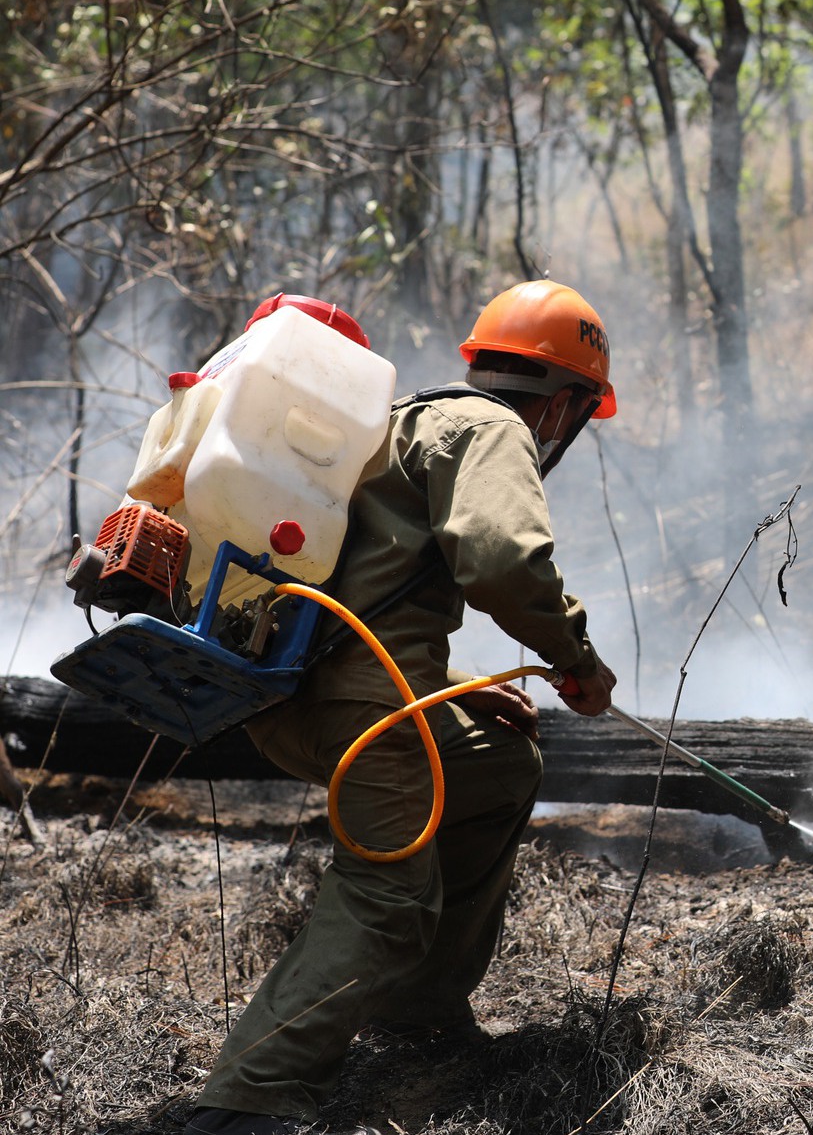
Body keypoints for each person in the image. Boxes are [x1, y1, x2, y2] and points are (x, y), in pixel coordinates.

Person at [185, 280, 621, 1135]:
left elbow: (373, 591)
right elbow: (501, 561)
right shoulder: (491, 428)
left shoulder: (390, 424)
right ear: (565, 402)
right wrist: (575, 658)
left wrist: (456, 700)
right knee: (388, 898)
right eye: (576, 412)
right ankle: (247, 1101)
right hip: (362, 706)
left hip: (287, 700)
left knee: (498, 765)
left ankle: (421, 1014)